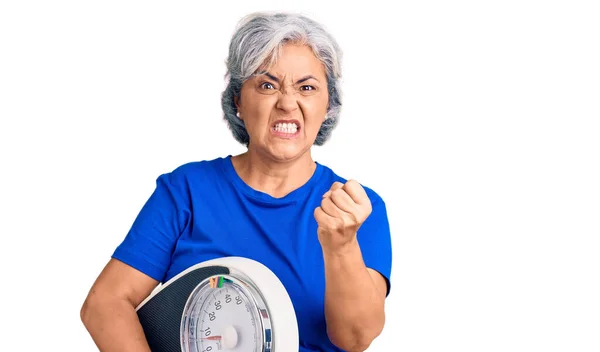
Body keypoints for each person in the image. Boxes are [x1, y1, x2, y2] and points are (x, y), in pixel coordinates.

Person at [80, 11, 392, 352]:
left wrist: (341, 245)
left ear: (327, 105)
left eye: (307, 87)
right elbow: (105, 304)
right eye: (267, 85)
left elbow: (356, 338)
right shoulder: (185, 191)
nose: (288, 103)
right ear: (238, 102)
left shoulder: (355, 209)